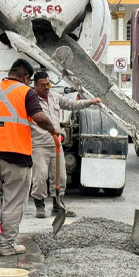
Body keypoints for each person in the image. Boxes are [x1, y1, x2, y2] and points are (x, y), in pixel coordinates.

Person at [0, 59, 57, 256]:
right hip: (16, 155)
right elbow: (39, 117)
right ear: (25, 77)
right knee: (13, 201)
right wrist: (53, 129)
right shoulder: (26, 92)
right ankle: (6, 245)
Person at [30, 71, 101, 218]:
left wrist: (90, 102)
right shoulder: (31, 100)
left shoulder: (54, 97)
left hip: (56, 145)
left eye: (48, 84)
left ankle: (58, 205)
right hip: (39, 145)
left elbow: (71, 104)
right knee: (39, 177)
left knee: (60, 177)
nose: (46, 87)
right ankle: (40, 206)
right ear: (35, 85)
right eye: (43, 85)